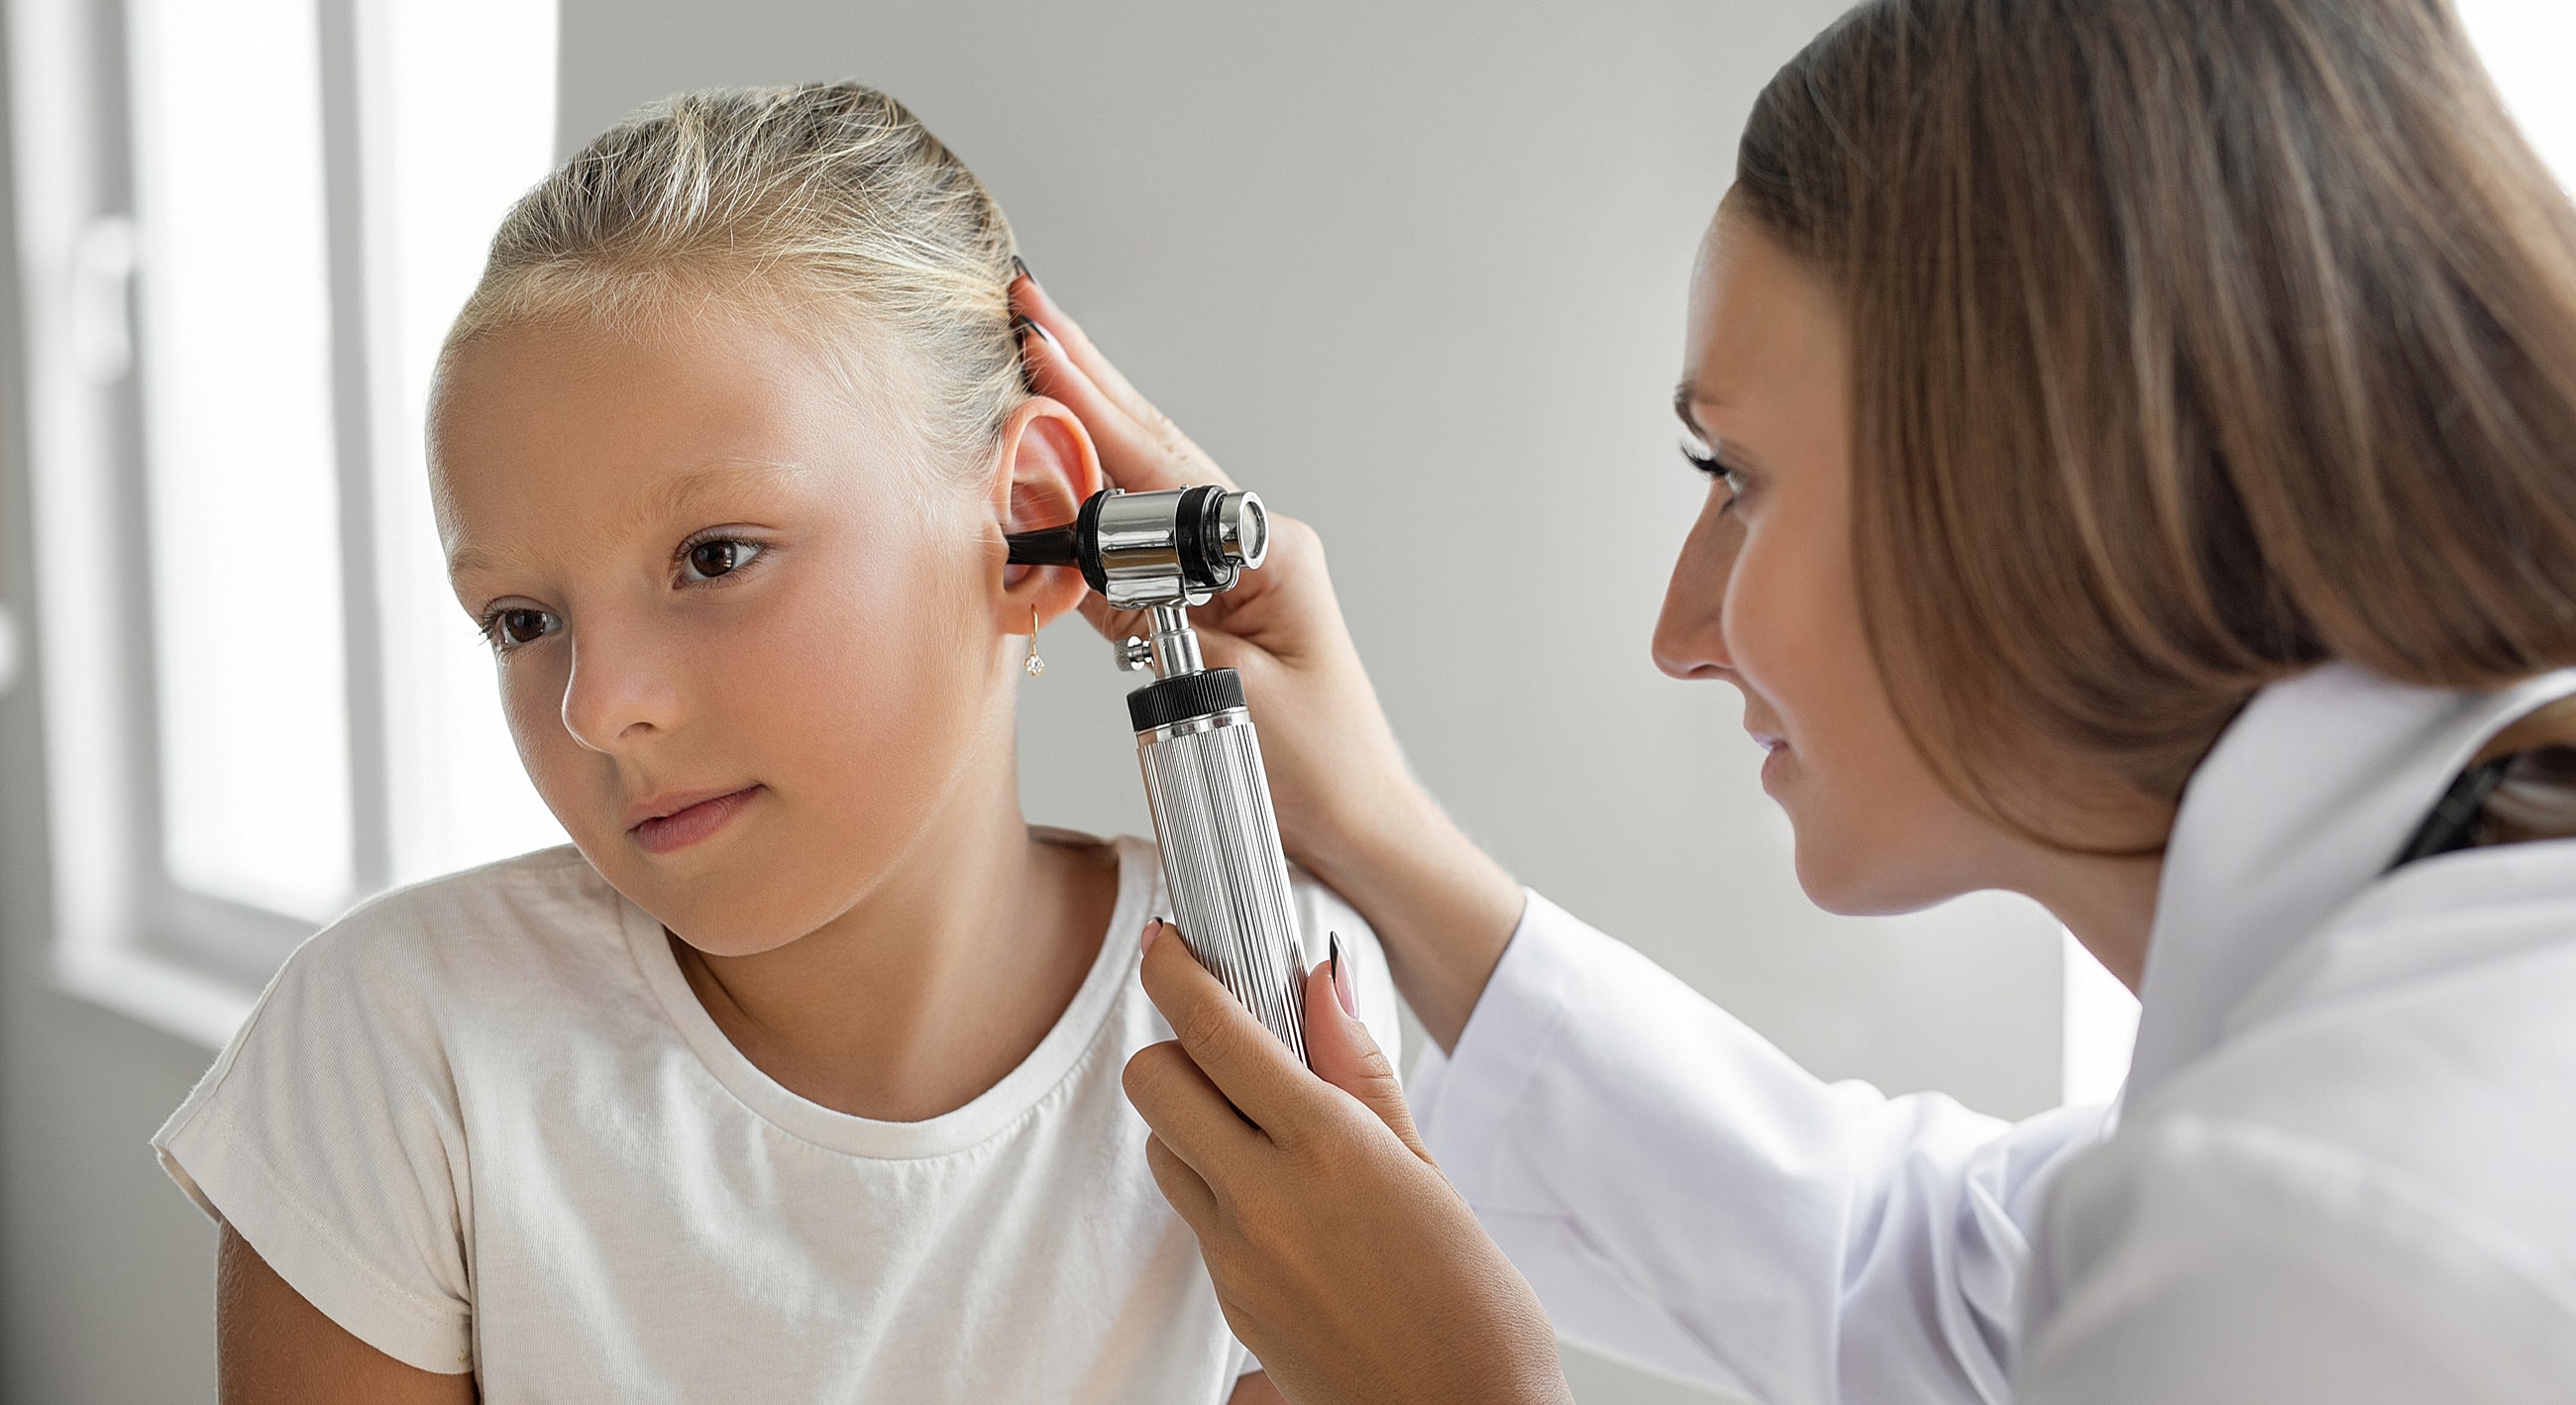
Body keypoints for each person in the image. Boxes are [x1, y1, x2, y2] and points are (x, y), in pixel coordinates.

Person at [1010, 0, 2576, 1400]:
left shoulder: (2329, 1246)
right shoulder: (2406, 1032)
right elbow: (1910, 1270)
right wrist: (1383, 834)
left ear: (2043, 479)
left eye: (1736, 480)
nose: (1680, 634)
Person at [150, 83, 1395, 1403]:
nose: (598, 704)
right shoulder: (404, 1044)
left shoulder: (1286, 1003)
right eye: (523, 617)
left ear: (1026, 521)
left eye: (715, 556)